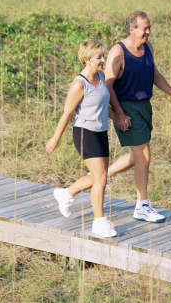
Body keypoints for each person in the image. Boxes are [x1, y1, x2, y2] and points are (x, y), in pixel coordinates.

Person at [105, 10, 171, 223]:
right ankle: (142, 205)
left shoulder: (147, 47)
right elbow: (107, 86)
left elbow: (154, 74)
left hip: (144, 107)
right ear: (132, 30)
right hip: (127, 108)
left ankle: (97, 178)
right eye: (145, 28)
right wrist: (119, 114)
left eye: (149, 27)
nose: (149, 32)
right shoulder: (118, 52)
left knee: (136, 157)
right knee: (145, 156)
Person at [46, 39, 117, 238]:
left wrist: (118, 117)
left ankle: (66, 194)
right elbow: (67, 113)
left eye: (103, 56)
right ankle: (99, 223)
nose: (103, 60)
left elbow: (104, 106)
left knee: (100, 177)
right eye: (99, 57)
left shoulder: (101, 76)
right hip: (85, 133)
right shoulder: (79, 84)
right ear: (86, 60)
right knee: (101, 178)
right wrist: (55, 139)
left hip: (101, 131)